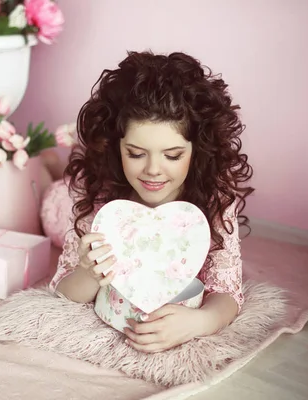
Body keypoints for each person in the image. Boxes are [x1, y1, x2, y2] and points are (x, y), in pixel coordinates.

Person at [47, 50, 255, 353]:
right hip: (59, 205)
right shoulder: (97, 196)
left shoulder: (216, 200)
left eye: (172, 155)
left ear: (198, 150)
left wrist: (198, 322)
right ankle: (47, 168)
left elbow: (226, 292)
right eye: (135, 153)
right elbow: (64, 289)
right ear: (114, 147)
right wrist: (88, 272)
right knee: (52, 206)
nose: (153, 170)